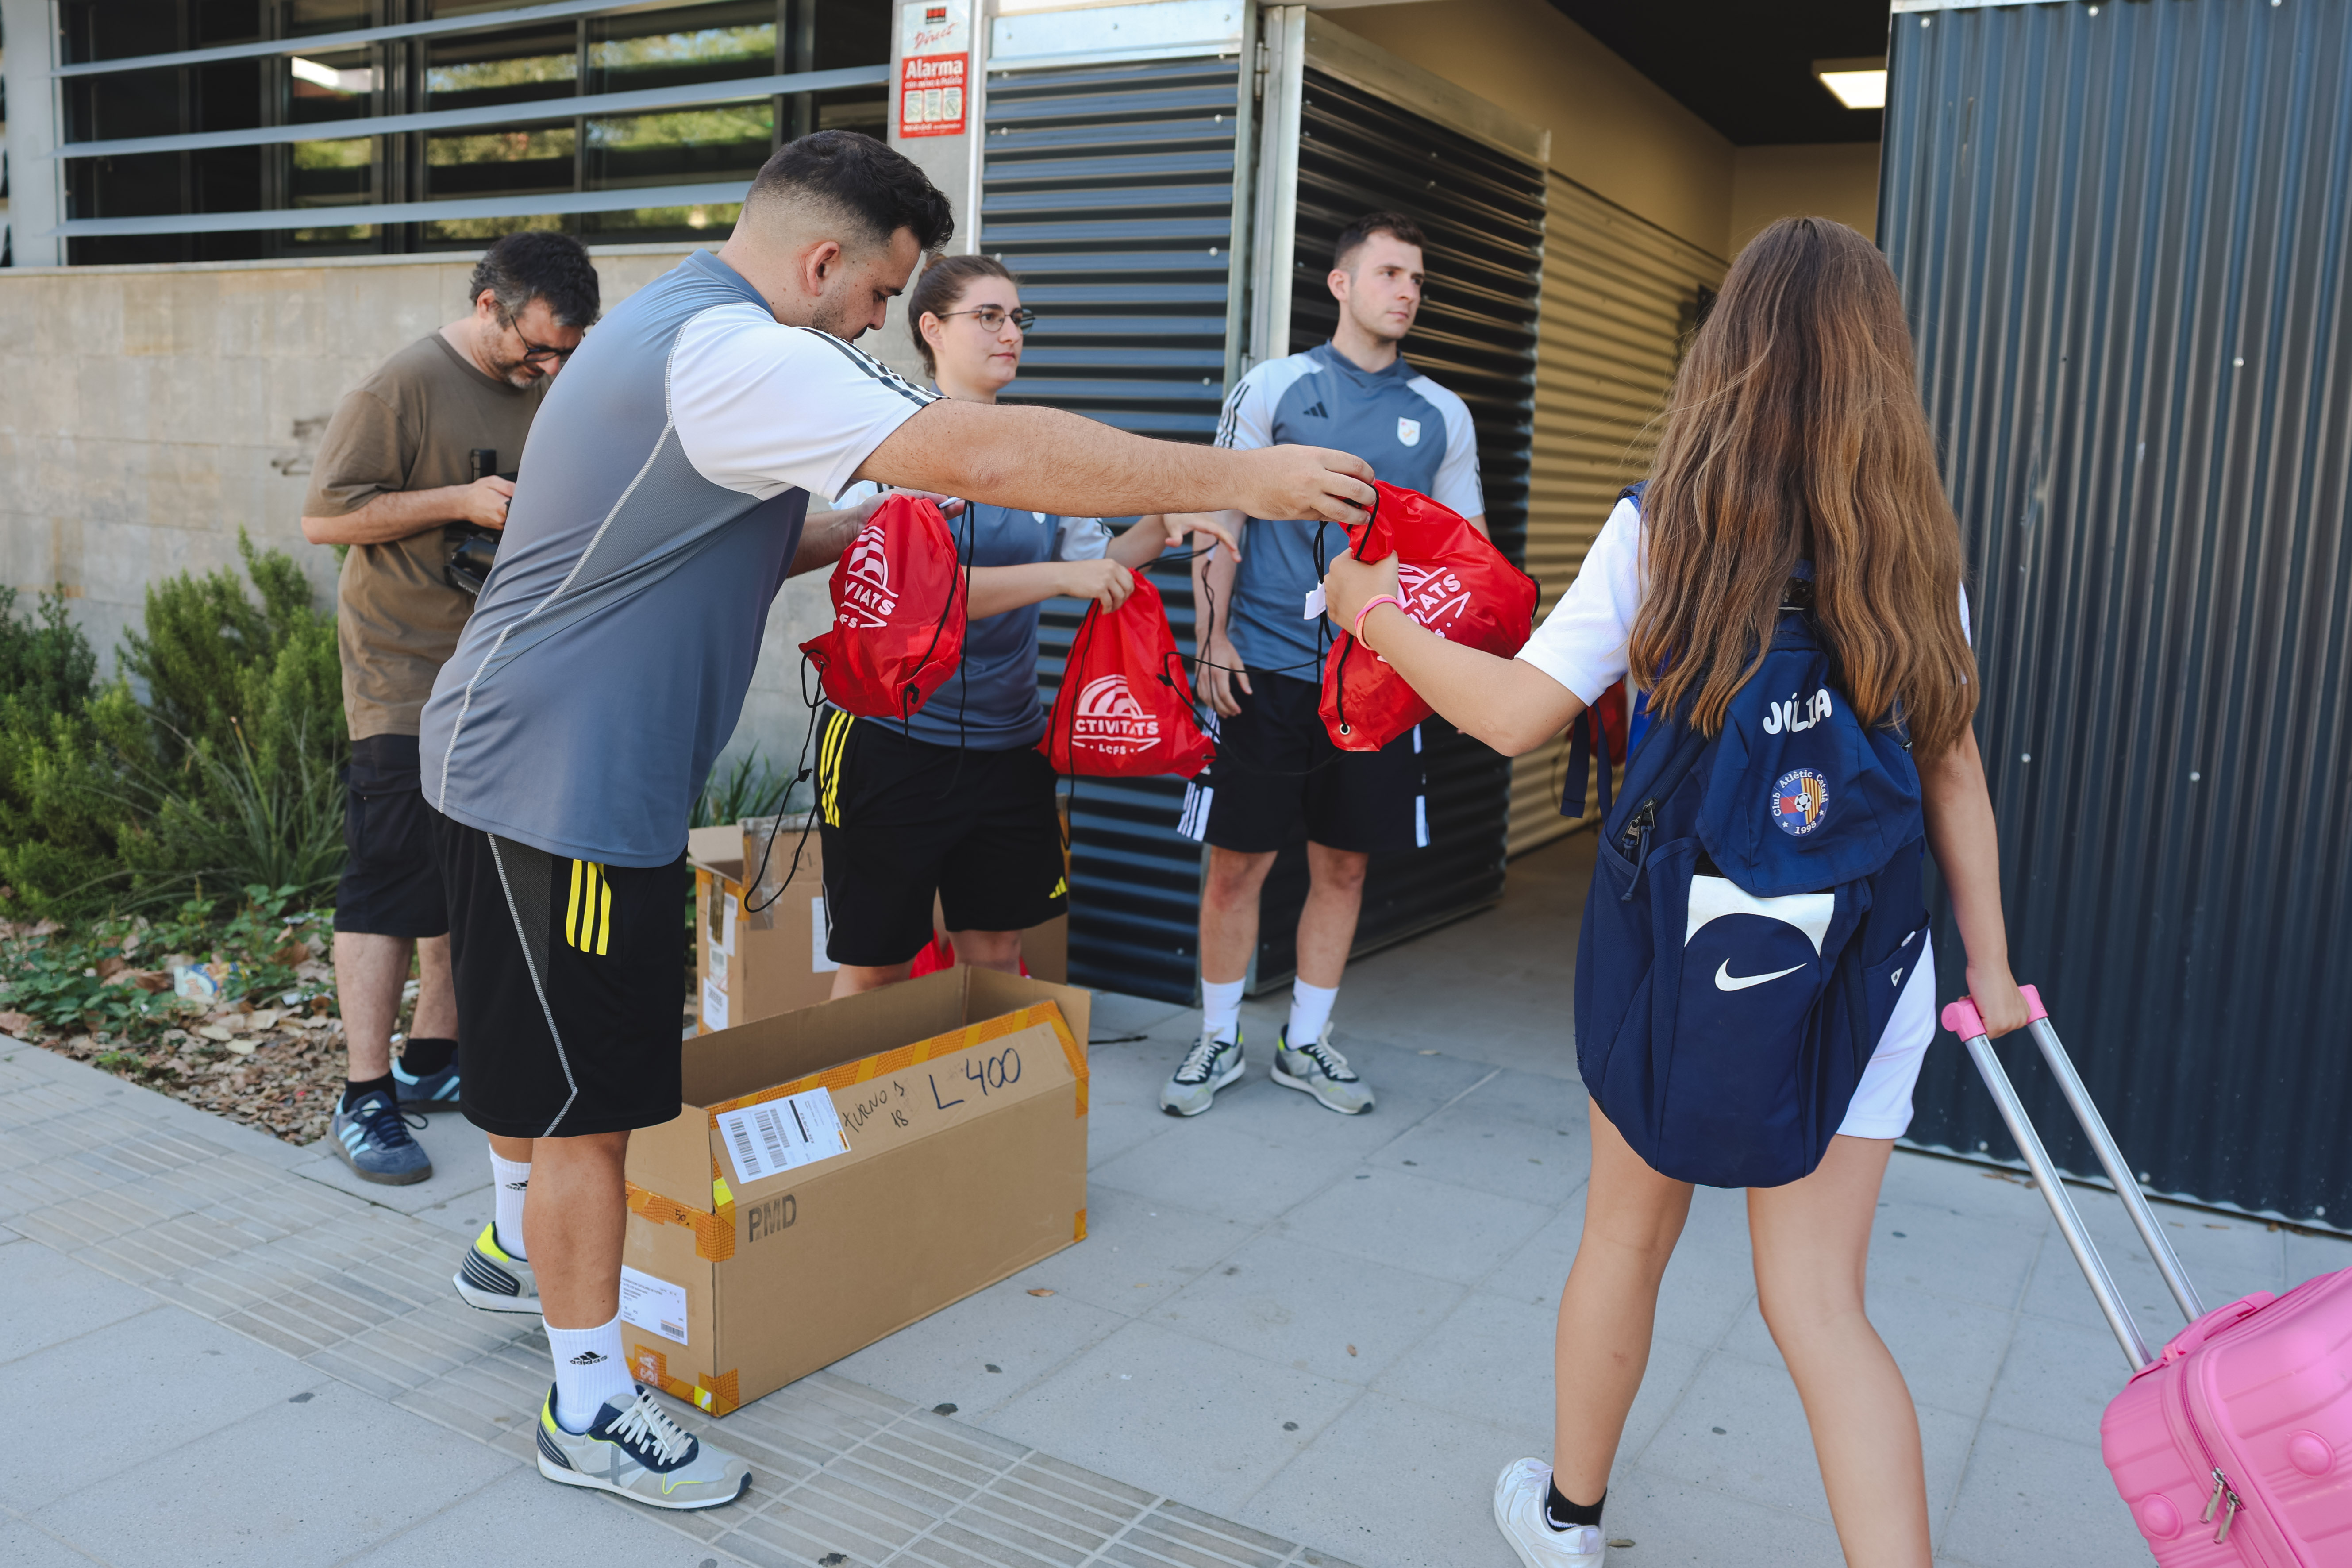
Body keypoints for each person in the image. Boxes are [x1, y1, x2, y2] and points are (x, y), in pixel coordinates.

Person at [415, 129, 1373, 1511]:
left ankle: (514, 1250)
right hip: (562, 784)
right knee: (590, 1112)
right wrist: (1230, 476)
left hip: (524, 755)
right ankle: (588, 1405)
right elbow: (985, 449)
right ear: (822, 263)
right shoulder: (737, 353)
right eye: (877, 294)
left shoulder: (677, 331)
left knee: (545, 1066)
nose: (877, 322)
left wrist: (887, 527)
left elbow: (747, 532)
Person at [1323, 217, 2032, 1568]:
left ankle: (1568, 1521)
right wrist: (1988, 969)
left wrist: (1370, 610)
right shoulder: (1914, 549)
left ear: (1728, 350)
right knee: (1819, 1303)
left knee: (1624, 1239)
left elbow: (1515, 715)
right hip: (1862, 953)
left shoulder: (1665, 529)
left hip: (1680, 942)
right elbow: (1953, 772)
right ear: (1881, 362)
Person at [819, 254, 1235, 997]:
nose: (1011, 333)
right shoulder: (891, 446)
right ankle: (863, 1085)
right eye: (989, 317)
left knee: (997, 948)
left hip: (1010, 746)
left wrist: (1161, 521)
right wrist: (1061, 579)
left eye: (1018, 319)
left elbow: (1098, 564)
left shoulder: (1036, 458)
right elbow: (914, 604)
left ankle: (981, 1080)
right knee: (878, 963)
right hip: (893, 744)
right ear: (931, 329)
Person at [1164, 211, 1485, 1119]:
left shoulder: (1443, 413)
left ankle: (1304, 1043)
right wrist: (1211, 636)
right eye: (1390, 274)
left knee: (1343, 868)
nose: (1407, 292)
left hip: (1376, 682)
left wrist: (1433, 664)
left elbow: (1463, 554)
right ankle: (1217, 1036)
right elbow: (1217, 514)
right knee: (1237, 867)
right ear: (1341, 284)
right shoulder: (1275, 386)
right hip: (1263, 668)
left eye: (1417, 279)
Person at [299, 231, 599, 1186]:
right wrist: (459, 501)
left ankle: (432, 1059)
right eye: (536, 348)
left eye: (565, 354)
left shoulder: (544, 384)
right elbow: (326, 517)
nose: (547, 369)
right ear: (487, 306)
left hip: (496, 672)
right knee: (389, 875)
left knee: (467, 867)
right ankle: (364, 1095)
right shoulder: (402, 386)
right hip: (401, 670)